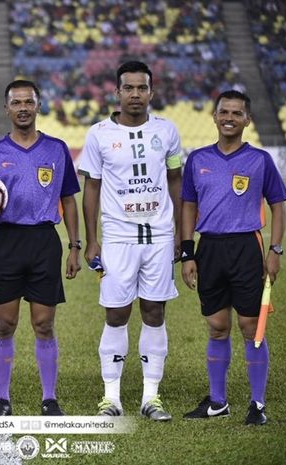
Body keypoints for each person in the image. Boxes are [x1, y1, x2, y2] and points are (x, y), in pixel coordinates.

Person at [79, 61, 182, 421]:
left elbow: (176, 181)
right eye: (129, 88)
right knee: (116, 313)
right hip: (119, 238)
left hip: (159, 237)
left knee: (155, 313)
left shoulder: (167, 131)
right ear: (117, 92)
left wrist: (182, 235)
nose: (135, 94)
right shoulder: (99, 134)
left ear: (151, 92)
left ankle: (150, 398)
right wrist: (92, 241)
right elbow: (90, 188)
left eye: (142, 88)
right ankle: (112, 399)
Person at [181, 90, 286, 425]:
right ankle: (218, 401)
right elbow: (187, 205)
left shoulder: (259, 161)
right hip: (209, 248)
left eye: (236, 113)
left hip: (247, 248)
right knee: (216, 326)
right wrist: (187, 252)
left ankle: (257, 404)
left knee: (250, 327)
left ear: (247, 120)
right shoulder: (197, 159)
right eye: (223, 112)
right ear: (214, 117)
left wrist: (275, 250)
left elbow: (278, 204)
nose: (229, 118)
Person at [0, 80, 81, 416]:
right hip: (6, 241)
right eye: (16, 102)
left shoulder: (57, 149)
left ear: (38, 106)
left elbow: (68, 198)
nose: (22, 108)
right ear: (6, 109)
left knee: (44, 324)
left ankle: (49, 398)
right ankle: (2, 398)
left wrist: (75, 245)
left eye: (28, 102)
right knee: (5, 324)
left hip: (43, 242)